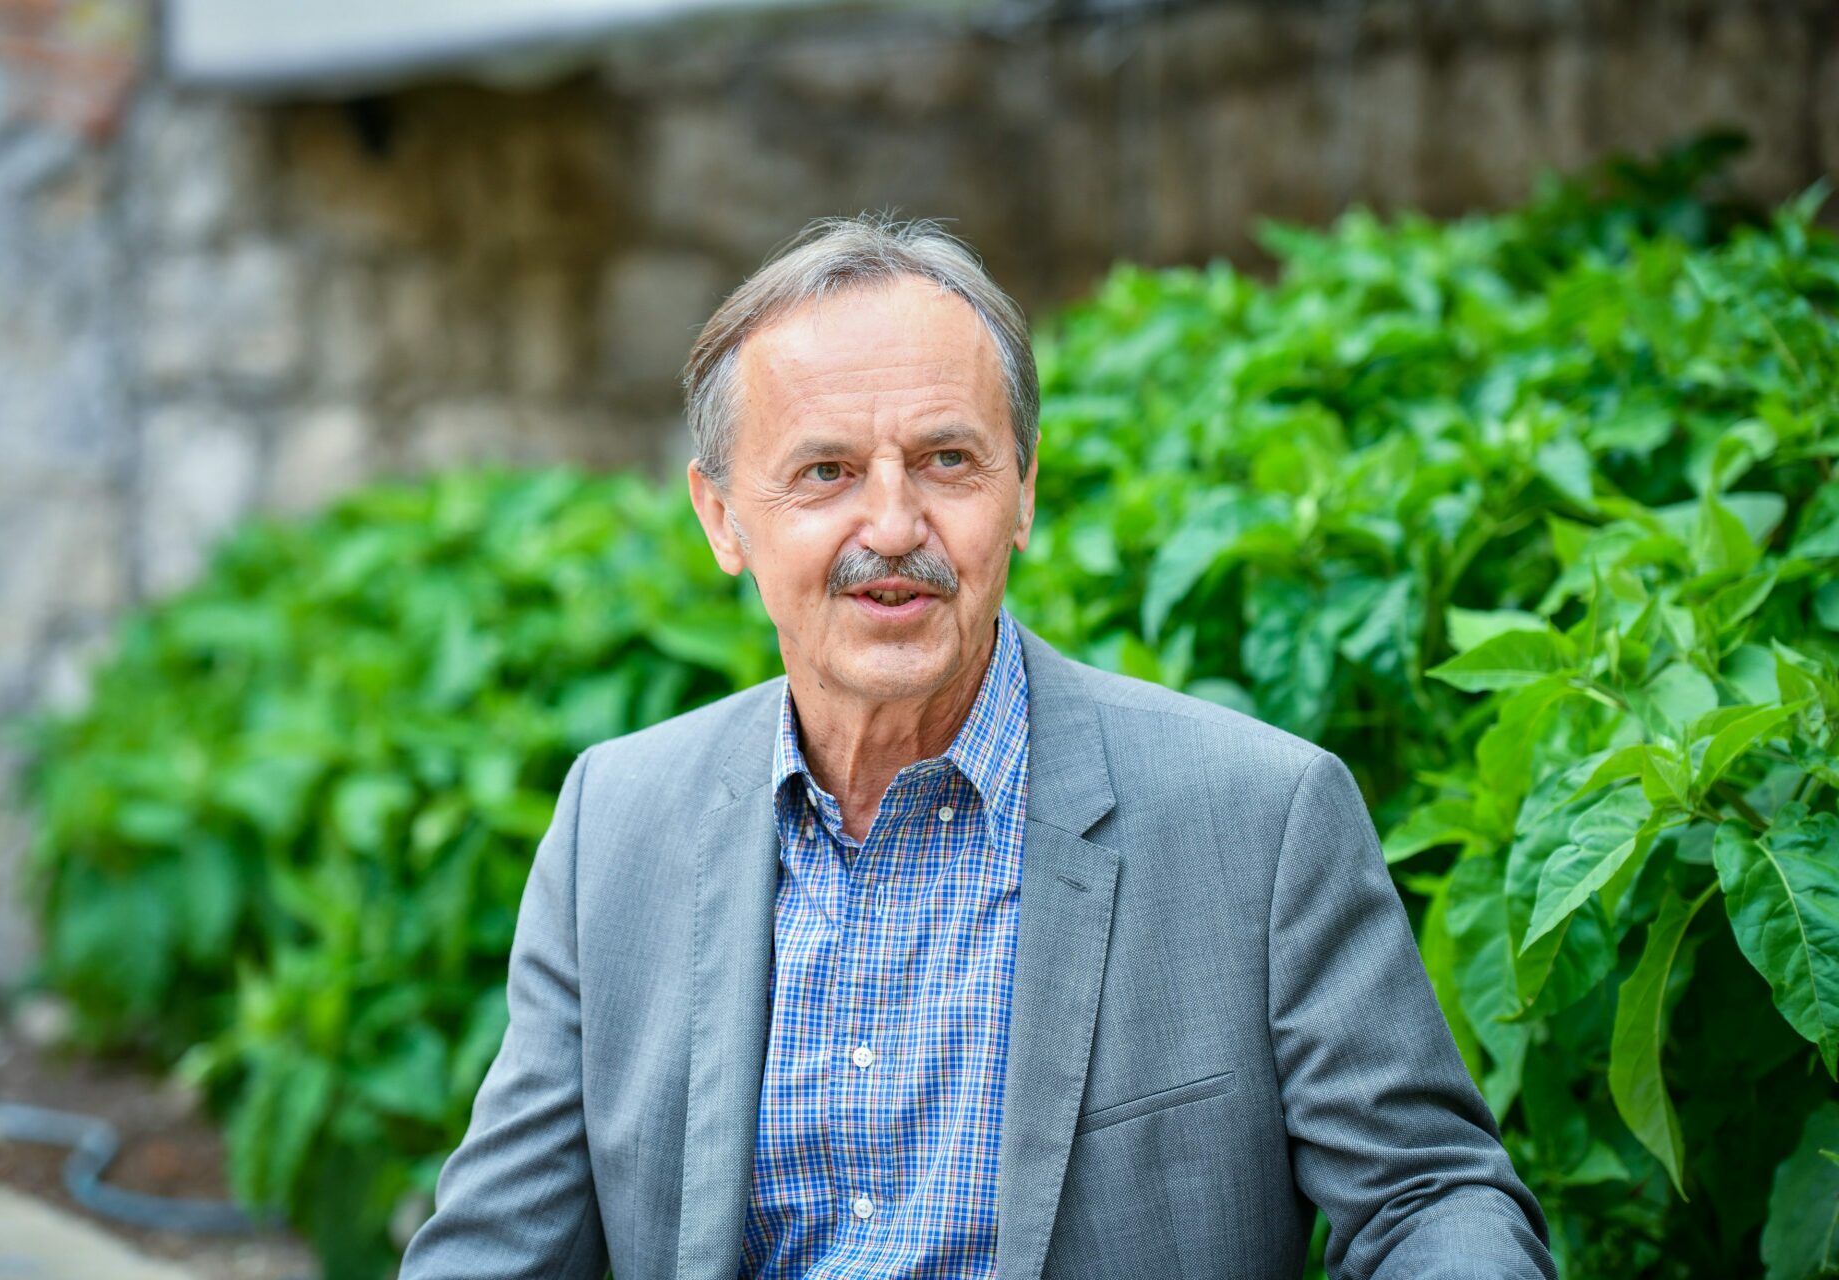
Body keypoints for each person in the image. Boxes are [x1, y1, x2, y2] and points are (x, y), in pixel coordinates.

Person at [397, 216, 1554, 1280]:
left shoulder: (1260, 817)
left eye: (948, 460)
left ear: (1024, 491)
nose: (894, 525)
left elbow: (1428, 1197)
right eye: (825, 472)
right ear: (722, 517)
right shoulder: (616, 822)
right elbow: (500, 1245)